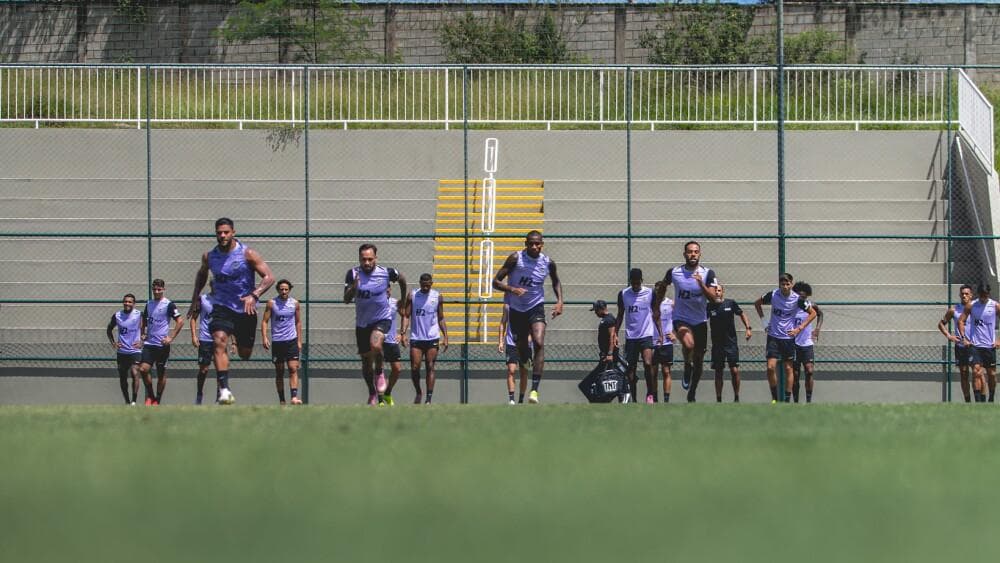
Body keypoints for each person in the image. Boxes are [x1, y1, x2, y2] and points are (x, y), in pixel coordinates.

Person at [189, 217, 275, 405]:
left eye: (226, 232)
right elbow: (202, 273)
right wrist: (195, 297)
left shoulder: (247, 254)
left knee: (245, 353)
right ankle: (224, 390)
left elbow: (269, 277)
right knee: (219, 340)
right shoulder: (210, 256)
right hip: (221, 306)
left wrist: (255, 294)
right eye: (219, 232)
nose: (222, 235)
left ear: (233, 233)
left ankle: (238, 350)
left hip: (245, 308)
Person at [492, 230, 564, 404]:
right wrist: (512, 289)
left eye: (537, 243)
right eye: (530, 243)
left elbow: (555, 281)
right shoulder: (515, 259)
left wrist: (560, 301)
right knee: (523, 351)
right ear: (525, 244)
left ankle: (534, 390)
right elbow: (495, 281)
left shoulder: (548, 263)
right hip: (516, 310)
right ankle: (526, 360)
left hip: (535, 307)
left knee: (539, 342)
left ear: (542, 244)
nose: (534, 246)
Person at [344, 243, 407, 406]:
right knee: (366, 362)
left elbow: (402, 279)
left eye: (370, 259)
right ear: (359, 258)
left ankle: (379, 372)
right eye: (363, 259)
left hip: (382, 318)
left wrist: (404, 300)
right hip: (362, 323)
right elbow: (346, 300)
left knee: (377, 344)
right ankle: (372, 392)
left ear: (376, 258)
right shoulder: (352, 274)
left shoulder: (386, 272)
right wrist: (354, 288)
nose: (366, 263)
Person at [657, 241, 719, 402]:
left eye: (696, 252)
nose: (693, 254)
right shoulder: (675, 272)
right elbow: (663, 286)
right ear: (684, 254)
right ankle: (686, 365)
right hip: (681, 318)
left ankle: (692, 391)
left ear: (700, 254)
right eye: (690, 251)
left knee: (699, 360)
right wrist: (656, 305)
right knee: (689, 345)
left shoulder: (707, 273)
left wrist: (701, 284)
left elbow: (713, 298)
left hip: (700, 321)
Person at [755, 273, 815, 403]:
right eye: (783, 284)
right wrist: (765, 322)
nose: (785, 287)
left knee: (789, 368)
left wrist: (799, 328)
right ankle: (775, 398)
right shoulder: (773, 295)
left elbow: (813, 313)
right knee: (770, 367)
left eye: (788, 284)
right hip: (773, 337)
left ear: (791, 284)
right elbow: (757, 304)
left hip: (788, 338)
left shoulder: (797, 299)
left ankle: (787, 400)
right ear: (779, 285)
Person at [402, 273, 448, 405]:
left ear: (432, 283)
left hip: (432, 337)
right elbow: (406, 315)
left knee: (430, 366)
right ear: (420, 283)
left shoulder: (437, 296)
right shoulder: (413, 295)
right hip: (417, 337)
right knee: (415, 367)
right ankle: (418, 392)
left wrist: (446, 336)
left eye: (428, 285)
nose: (426, 287)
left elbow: (441, 317)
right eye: (423, 284)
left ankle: (428, 399)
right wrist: (403, 332)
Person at [136, 279, 184, 405]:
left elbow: (180, 321)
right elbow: (144, 321)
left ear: (163, 289)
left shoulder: (168, 304)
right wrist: (143, 333)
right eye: (154, 289)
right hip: (149, 344)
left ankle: (157, 399)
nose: (156, 292)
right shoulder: (149, 303)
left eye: (159, 289)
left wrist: (171, 338)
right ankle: (150, 396)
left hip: (162, 345)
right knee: (143, 369)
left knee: (161, 373)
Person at [616, 268, 660, 403]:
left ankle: (650, 394)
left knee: (648, 363)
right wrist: (615, 334)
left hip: (646, 335)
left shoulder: (650, 292)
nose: (635, 285)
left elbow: (656, 313)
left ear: (642, 281)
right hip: (631, 337)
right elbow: (620, 315)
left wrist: (661, 333)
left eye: (638, 282)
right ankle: (633, 399)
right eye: (633, 283)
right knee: (631, 370)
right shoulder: (623, 294)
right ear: (630, 281)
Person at [189, 281, 234, 405]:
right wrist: (194, 336)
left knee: (220, 369)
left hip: (220, 340)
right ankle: (199, 394)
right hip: (205, 339)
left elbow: (229, 322)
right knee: (203, 370)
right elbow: (193, 319)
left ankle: (219, 397)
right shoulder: (203, 299)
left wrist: (233, 342)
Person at [707, 283, 752, 403]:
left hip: (731, 343)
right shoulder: (709, 306)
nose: (717, 292)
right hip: (717, 345)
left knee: (734, 371)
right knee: (718, 372)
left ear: (723, 292)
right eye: (715, 290)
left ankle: (736, 398)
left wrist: (748, 328)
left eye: (719, 290)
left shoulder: (730, 303)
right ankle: (719, 399)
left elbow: (742, 313)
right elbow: (701, 320)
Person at [261, 279, 303, 405]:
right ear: (278, 290)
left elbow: (298, 322)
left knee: (293, 368)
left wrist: (299, 341)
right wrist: (264, 337)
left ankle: (294, 397)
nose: (284, 291)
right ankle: (282, 400)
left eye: (286, 289)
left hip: (291, 341)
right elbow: (264, 321)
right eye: (281, 289)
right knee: (279, 372)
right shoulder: (271, 303)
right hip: (278, 341)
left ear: (289, 290)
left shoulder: (295, 304)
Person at [958, 282, 1000, 403]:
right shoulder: (971, 305)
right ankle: (977, 402)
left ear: (988, 293)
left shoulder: (995, 306)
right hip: (975, 345)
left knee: (991, 374)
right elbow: (961, 321)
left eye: (985, 294)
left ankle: (991, 398)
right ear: (978, 293)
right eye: (981, 294)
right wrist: (964, 338)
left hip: (989, 345)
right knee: (976, 371)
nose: (983, 296)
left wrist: (998, 340)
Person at [938, 284, 974, 402]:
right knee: (964, 374)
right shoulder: (954, 310)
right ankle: (967, 401)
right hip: (961, 346)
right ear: (959, 295)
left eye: (967, 293)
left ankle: (980, 401)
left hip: (975, 345)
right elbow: (941, 324)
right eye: (962, 294)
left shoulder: (976, 308)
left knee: (977, 373)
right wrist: (949, 336)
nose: (964, 295)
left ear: (971, 295)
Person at [106, 293, 142, 405]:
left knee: (135, 372)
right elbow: (109, 329)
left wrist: (143, 341)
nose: (127, 303)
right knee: (123, 377)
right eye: (125, 301)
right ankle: (127, 401)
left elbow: (149, 328)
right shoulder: (117, 316)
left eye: (130, 302)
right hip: (122, 352)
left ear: (134, 304)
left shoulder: (139, 315)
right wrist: (113, 343)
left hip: (135, 351)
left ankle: (134, 401)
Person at [791, 282, 823, 403]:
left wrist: (817, 329)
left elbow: (820, 314)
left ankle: (809, 401)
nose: (802, 299)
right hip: (793, 344)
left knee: (809, 371)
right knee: (795, 375)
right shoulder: (791, 307)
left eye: (804, 297)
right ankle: (796, 402)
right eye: (800, 297)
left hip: (807, 344)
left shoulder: (811, 306)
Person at [500, 300, 532, 404]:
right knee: (511, 370)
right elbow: (503, 322)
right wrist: (500, 341)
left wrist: (530, 338)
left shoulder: (529, 302)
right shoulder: (508, 304)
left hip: (525, 344)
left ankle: (521, 400)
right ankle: (511, 399)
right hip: (511, 343)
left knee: (524, 372)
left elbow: (535, 323)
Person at [652, 281, 676, 403]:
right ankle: (654, 399)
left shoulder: (671, 304)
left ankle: (666, 400)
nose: (658, 292)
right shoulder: (650, 305)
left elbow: (679, 319)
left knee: (666, 371)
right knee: (653, 372)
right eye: (656, 290)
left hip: (666, 342)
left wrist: (675, 334)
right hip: (652, 342)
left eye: (660, 290)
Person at [381, 287, 404, 406]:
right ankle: (379, 399)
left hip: (391, 341)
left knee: (397, 368)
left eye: (388, 289)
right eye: (384, 290)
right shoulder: (375, 302)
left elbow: (405, 315)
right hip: (378, 340)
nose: (387, 292)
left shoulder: (395, 302)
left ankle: (387, 393)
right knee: (378, 369)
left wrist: (401, 333)